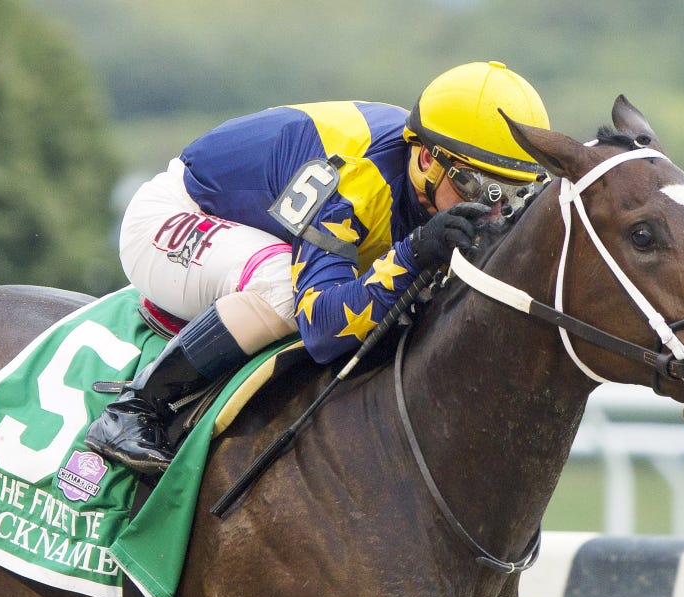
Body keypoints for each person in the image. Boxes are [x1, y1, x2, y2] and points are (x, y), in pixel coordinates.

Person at [85, 61, 551, 475]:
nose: (493, 211)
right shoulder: (355, 180)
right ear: (427, 157)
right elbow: (323, 326)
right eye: (479, 188)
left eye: (511, 195)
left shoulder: (429, 173)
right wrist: (413, 252)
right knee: (283, 288)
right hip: (175, 215)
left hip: (259, 227)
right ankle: (136, 409)